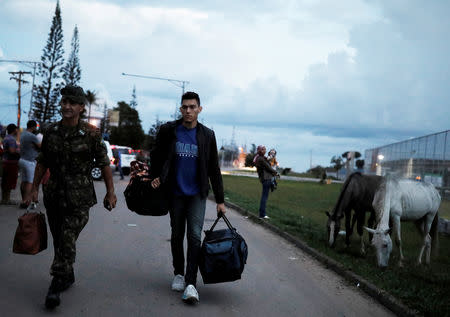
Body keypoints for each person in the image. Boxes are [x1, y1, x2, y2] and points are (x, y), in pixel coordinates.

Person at [30, 85, 117, 309]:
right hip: (54, 194)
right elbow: (42, 161)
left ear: (81, 107)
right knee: (60, 240)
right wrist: (33, 189)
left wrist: (110, 192)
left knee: (67, 236)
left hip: (79, 198)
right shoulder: (51, 131)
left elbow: (104, 164)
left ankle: (55, 285)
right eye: (64, 102)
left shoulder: (91, 134)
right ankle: (68, 274)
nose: (66, 106)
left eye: (72, 103)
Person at [150, 91, 225, 304]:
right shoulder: (170, 131)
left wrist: (220, 200)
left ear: (199, 109)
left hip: (197, 194)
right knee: (177, 234)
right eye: (184, 107)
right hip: (175, 192)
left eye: (192, 107)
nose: (188, 111)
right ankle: (179, 274)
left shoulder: (207, 135)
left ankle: (191, 283)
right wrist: (156, 176)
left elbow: (214, 168)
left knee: (194, 236)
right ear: (180, 109)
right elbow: (157, 154)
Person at [18, 120, 41, 208]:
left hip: (22, 159)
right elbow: (40, 146)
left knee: (24, 181)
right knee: (30, 182)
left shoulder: (23, 134)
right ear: (33, 127)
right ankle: (27, 201)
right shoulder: (32, 136)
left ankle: (23, 199)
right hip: (30, 161)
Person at [254, 145, 279, 219]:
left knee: (264, 196)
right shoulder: (261, 159)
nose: (264, 151)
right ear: (259, 151)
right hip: (266, 178)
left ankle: (262, 213)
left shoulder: (260, 158)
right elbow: (268, 167)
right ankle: (262, 214)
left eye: (265, 149)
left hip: (264, 178)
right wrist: (276, 173)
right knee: (264, 197)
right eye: (263, 150)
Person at [1, 123, 20, 204]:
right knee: (9, 181)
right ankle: (7, 200)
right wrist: (19, 152)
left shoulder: (6, 138)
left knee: (5, 181)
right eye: (16, 129)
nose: (17, 130)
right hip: (11, 162)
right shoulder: (11, 139)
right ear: (14, 130)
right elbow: (12, 151)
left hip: (5, 161)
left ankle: (4, 199)